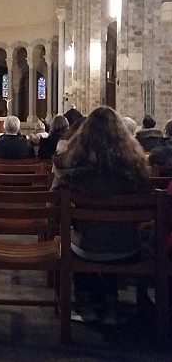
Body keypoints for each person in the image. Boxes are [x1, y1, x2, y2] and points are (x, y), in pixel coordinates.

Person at [52, 106, 151, 324]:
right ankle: (110, 301)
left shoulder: (72, 173)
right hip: (128, 248)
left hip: (86, 247)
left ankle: (86, 300)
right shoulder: (136, 171)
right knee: (111, 236)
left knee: (81, 239)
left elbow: (53, 210)